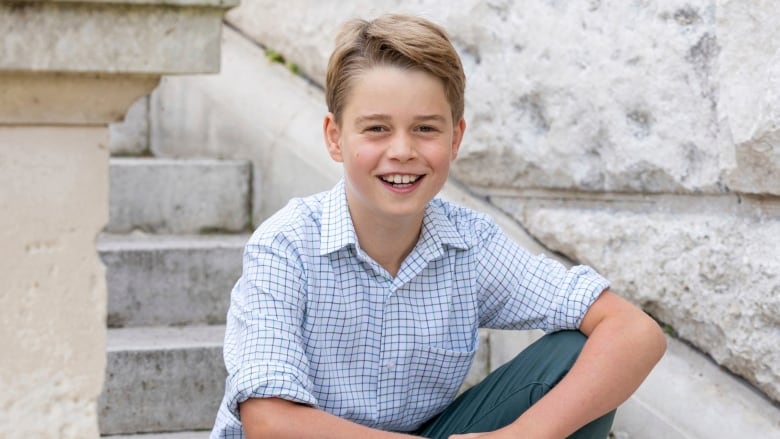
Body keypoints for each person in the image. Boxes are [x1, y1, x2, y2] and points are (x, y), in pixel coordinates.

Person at [211, 13, 666, 439]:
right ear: (335, 137)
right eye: (376, 129)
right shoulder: (285, 245)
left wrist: (522, 435)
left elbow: (635, 331)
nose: (403, 150)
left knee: (575, 352)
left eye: (426, 129)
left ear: (455, 139)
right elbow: (268, 421)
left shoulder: (470, 245)